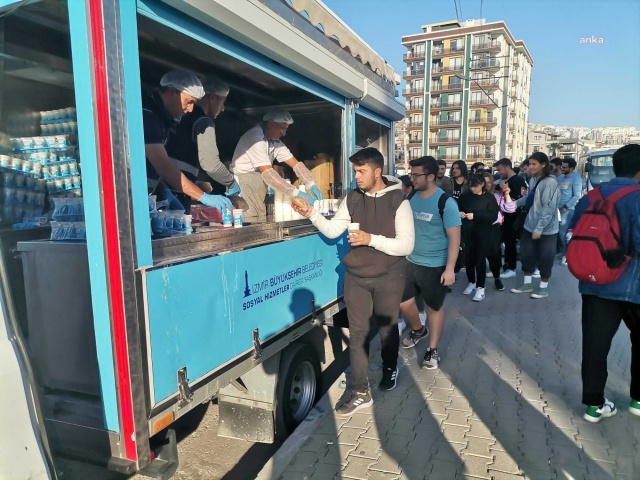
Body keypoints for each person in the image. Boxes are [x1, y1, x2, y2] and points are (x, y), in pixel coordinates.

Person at [292, 147, 414, 415]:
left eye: (362, 171)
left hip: (388, 277)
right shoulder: (353, 199)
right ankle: (360, 391)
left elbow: (406, 245)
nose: (357, 176)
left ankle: (390, 366)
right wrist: (312, 213)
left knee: (386, 329)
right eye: (355, 171)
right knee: (358, 334)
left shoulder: (399, 201)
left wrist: (371, 239)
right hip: (357, 277)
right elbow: (335, 230)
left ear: (377, 171)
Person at [570, 144, 640, 423]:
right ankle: (637, 400)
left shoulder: (591, 197)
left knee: (595, 346)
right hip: (635, 286)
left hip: (595, 285)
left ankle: (593, 406)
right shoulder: (638, 198)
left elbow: (571, 233)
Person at [398, 156, 461, 368]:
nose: (412, 179)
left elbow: (455, 238)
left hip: (435, 265)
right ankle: (418, 330)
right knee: (403, 302)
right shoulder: (411, 197)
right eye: (411, 174)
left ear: (431, 177)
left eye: (416, 175)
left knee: (433, 308)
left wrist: (450, 268)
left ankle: (432, 351)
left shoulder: (446, 203)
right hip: (409, 261)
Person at [143, 70, 232, 212]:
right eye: (189, 102)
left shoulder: (163, 119)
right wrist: (203, 196)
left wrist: (165, 190)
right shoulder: (148, 115)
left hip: (150, 195)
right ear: (173, 93)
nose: (191, 109)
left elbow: (151, 165)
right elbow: (162, 165)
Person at [231, 109, 321, 223]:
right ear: (271, 124)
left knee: (259, 217)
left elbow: (295, 164)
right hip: (245, 184)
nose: (284, 133)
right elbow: (268, 173)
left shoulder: (274, 142)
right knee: (250, 220)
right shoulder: (255, 138)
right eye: (282, 129)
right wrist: (296, 192)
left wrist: (311, 183)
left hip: (258, 184)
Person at [165, 76, 240, 212]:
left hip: (165, 188)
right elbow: (211, 164)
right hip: (178, 192)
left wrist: (197, 182)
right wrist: (231, 182)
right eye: (222, 102)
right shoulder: (204, 122)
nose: (223, 108)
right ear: (212, 98)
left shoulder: (178, 117)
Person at [511, 152, 560, 299]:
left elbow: (549, 208)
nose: (530, 167)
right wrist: (515, 203)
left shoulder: (550, 182)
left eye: (534, 164)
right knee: (526, 254)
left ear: (543, 165)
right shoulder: (533, 179)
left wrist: (539, 229)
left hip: (546, 230)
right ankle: (527, 283)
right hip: (529, 225)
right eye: (529, 164)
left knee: (546, 257)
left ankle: (543, 287)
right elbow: (530, 198)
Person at [458, 174, 500, 301]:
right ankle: (471, 282)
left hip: (483, 233)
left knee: (480, 260)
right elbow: (457, 208)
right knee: (469, 259)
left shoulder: (489, 198)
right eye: (470, 186)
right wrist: (459, 213)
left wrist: (475, 216)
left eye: (475, 186)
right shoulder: (465, 196)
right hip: (468, 231)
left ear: (482, 184)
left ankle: (481, 287)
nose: (472, 189)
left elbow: (493, 216)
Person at [494, 158, 528, 278]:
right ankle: (499, 266)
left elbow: (522, 198)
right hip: (503, 217)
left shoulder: (518, 180)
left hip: (514, 216)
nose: (499, 172)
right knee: (498, 241)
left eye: (500, 169)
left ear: (507, 167)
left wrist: (508, 194)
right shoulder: (501, 180)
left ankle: (511, 267)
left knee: (510, 242)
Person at [482, 172, 516, 290]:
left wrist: (506, 194)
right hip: (477, 228)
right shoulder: (474, 196)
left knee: (494, 255)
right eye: (484, 182)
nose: (487, 185)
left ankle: (497, 278)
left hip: (494, 229)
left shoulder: (497, 196)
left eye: (489, 182)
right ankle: (478, 284)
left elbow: (511, 209)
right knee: (479, 256)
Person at [556, 157, 582, 265]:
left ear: (571, 168)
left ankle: (567, 255)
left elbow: (576, 195)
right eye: (562, 166)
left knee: (563, 233)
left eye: (565, 167)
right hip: (557, 209)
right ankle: (562, 251)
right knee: (557, 233)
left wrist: (566, 206)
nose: (562, 168)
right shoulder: (560, 178)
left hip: (567, 210)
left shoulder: (576, 178)